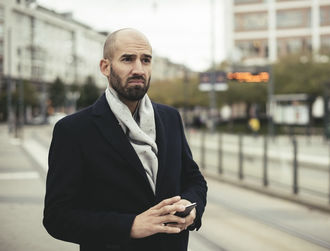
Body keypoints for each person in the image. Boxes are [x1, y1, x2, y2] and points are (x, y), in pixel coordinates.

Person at [43, 28, 208, 251]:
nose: (138, 69)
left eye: (146, 60)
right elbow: (57, 217)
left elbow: (194, 179)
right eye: (128, 59)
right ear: (105, 67)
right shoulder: (73, 130)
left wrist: (191, 206)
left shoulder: (170, 118)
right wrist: (130, 226)